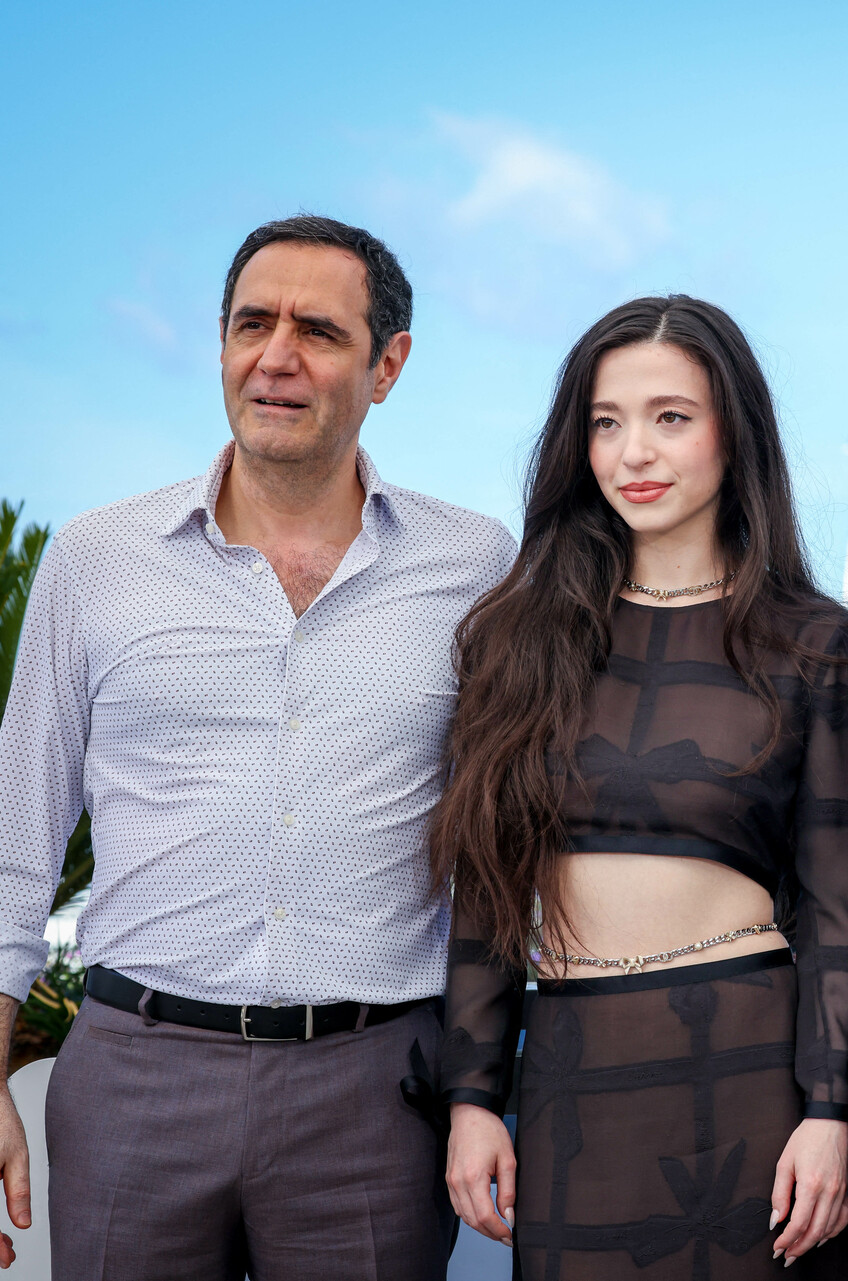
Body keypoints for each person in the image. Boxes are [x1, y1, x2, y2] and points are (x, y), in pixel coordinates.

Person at [0, 214, 516, 1277]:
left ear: (387, 366)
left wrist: (483, 1084)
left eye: (317, 331)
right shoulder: (97, 559)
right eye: (252, 325)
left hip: (375, 1094)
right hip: (135, 1079)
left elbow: (501, 847)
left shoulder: (474, 566)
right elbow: (17, 831)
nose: (276, 357)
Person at [435, 295, 848, 1279]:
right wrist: (472, 1097)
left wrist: (831, 1110)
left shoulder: (817, 644)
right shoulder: (515, 639)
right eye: (606, 421)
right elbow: (485, 892)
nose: (634, 451)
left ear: (734, 432)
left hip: (756, 1076)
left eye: (671, 417)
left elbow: (840, 905)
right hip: (570, 1071)